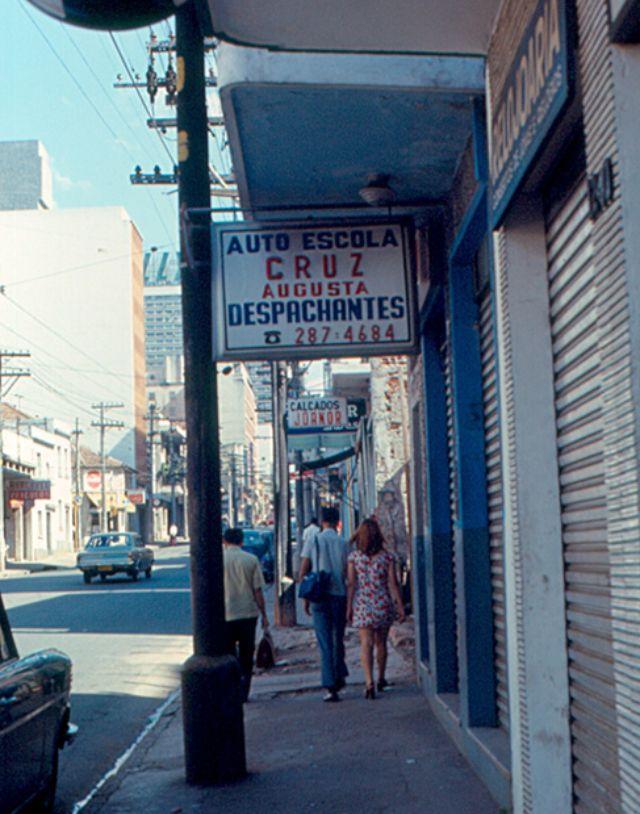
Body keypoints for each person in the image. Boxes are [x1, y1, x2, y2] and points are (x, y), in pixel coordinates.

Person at [347, 517, 405, 699]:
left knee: (366, 643)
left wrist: (348, 607)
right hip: (382, 603)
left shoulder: (354, 558)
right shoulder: (387, 557)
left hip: (363, 604)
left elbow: (351, 585)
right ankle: (381, 678)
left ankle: (368, 681)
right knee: (381, 643)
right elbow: (393, 583)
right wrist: (400, 606)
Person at [299, 506, 348, 702]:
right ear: (338, 523)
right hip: (339, 595)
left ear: (322, 522)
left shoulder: (314, 539)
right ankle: (339, 675)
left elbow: (303, 570)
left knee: (324, 641)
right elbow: (347, 571)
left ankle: (330, 685)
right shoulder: (343, 542)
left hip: (319, 596)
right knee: (338, 638)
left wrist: (305, 599)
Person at [223, 527, 269, 702]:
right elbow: (258, 591)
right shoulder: (251, 560)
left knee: (228, 653)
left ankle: (231, 688)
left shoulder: (218, 560)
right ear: (241, 542)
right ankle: (244, 691)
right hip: (248, 613)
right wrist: (264, 614)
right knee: (247, 653)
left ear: (224, 542)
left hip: (226, 614)